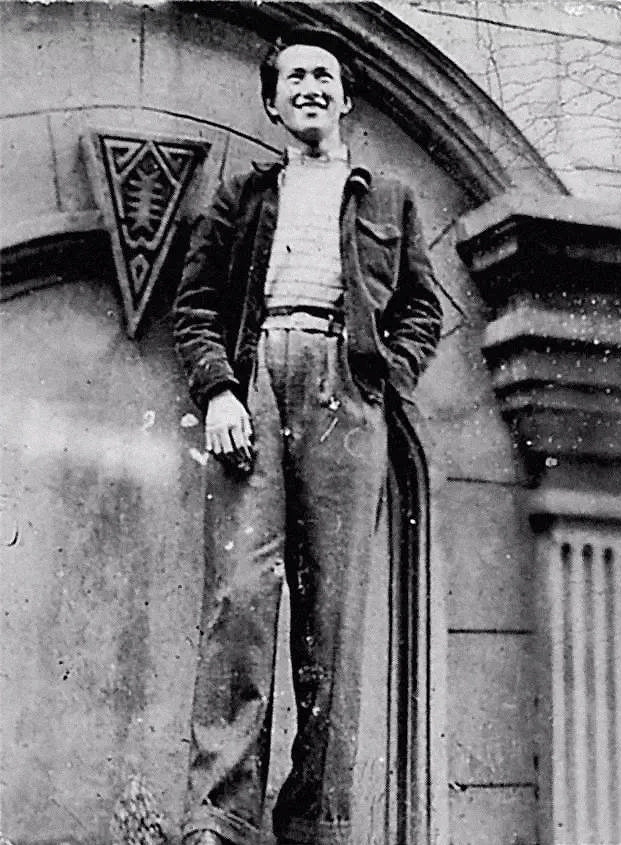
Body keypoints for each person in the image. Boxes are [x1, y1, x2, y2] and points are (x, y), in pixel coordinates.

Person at [173, 25, 442, 845]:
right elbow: (195, 305)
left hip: (342, 394)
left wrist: (377, 382)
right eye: (293, 79)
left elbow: (422, 309)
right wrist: (221, 390)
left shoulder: (389, 198)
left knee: (334, 617)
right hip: (255, 383)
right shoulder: (243, 196)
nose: (310, 89)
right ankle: (219, 819)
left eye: (323, 76)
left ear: (345, 97)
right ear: (272, 103)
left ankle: (317, 823)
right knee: (239, 603)